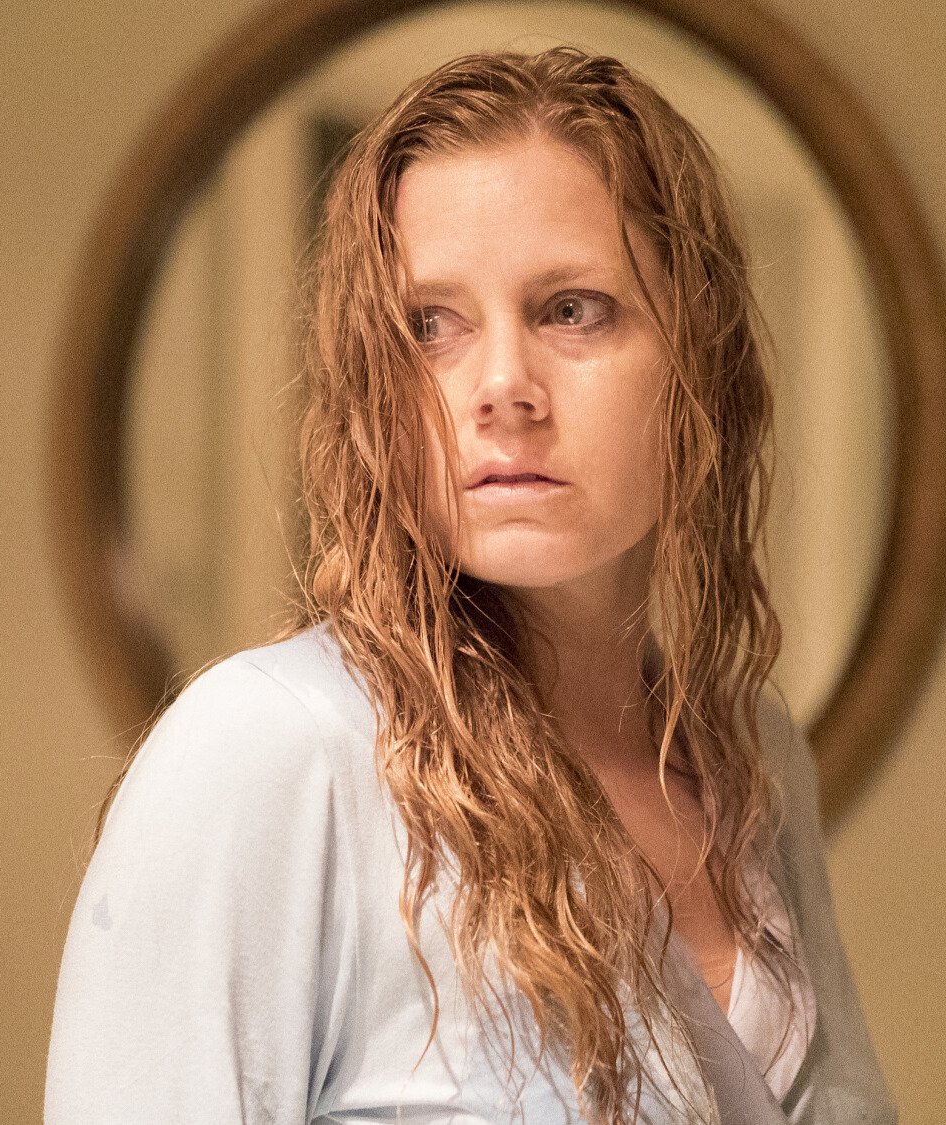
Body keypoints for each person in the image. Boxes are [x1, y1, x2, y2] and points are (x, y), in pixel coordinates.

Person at [45, 47, 897, 1125]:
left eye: (570, 310)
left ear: (698, 354)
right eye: (429, 325)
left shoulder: (752, 756)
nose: (500, 388)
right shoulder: (270, 754)